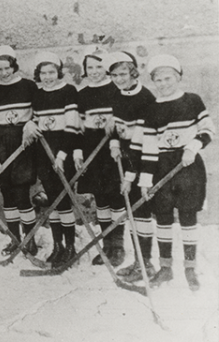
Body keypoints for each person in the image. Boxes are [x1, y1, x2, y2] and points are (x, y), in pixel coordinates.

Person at [139, 54, 215, 291]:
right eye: (158, 80)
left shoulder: (192, 100)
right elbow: (149, 146)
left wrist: (193, 147)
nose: (163, 83)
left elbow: (208, 130)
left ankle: (190, 269)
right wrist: (145, 179)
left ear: (178, 77)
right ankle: (165, 268)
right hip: (162, 166)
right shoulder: (151, 109)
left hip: (188, 165)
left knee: (187, 216)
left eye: (168, 78)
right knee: (162, 217)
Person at [0, 45, 40, 257]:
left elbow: (40, 112)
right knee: (7, 195)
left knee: (22, 194)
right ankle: (15, 239)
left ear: (14, 66)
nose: (4, 73)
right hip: (0, 147)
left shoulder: (29, 87)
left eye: (7, 68)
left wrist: (32, 124)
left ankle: (30, 240)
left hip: (23, 146)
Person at [105, 51, 156, 277]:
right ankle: (138, 262)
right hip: (124, 154)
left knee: (140, 209)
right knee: (131, 209)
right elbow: (116, 123)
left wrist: (131, 171)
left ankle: (145, 263)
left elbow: (147, 136)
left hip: (142, 156)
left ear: (133, 72)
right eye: (114, 75)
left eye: (123, 73)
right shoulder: (117, 95)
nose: (119, 79)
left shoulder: (145, 97)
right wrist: (114, 143)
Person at [75, 47, 127, 268]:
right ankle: (107, 243)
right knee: (101, 198)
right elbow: (77, 126)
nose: (94, 71)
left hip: (114, 151)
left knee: (116, 197)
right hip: (92, 151)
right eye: (90, 67)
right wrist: (77, 150)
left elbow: (129, 117)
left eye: (98, 66)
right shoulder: (82, 94)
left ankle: (118, 245)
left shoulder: (116, 90)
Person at [30, 52, 80, 268]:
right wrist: (29, 125)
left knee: (64, 200)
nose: (47, 76)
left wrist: (61, 156)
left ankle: (70, 247)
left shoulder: (68, 91)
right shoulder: (38, 94)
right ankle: (57, 246)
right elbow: (35, 120)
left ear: (58, 72)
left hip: (62, 153)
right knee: (53, 200)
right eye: (43, 72)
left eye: (51, 72)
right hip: (44, 152)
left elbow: (71, 128)